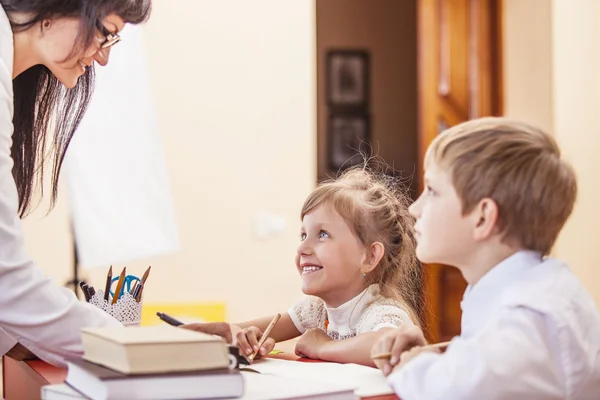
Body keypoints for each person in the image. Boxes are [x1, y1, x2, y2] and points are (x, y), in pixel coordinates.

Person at [371, 117, 600, 399]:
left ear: (483, 217)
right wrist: (434, 352)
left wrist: (414, 366)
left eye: (432, 191)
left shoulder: (529, 317)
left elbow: (455, 390)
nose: (415, 208)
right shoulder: (540, 288)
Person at [232, 167, 424, 366]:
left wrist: (323, 347)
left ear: (369, 257)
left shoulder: (380, 312)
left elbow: (388, 347)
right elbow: (231, 333)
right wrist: (246, 338)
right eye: (303, 235)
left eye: (323, 234)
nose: (302, 248)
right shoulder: (314, 310)